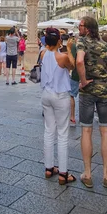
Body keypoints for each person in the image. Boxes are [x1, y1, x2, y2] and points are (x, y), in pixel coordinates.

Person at [76, 16, 107, 189]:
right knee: (105, 130)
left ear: (88, 28)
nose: (79, 28)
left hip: (88, 91)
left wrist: (83, 80)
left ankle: (87, 174)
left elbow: (78, 61)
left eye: (81, 25)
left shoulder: (82, 42)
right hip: (104, 90)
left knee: (86, 130)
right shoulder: (106, 45)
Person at [41, 28, 76, 184]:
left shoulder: (42, 54)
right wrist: (68, 49)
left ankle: (49, 168)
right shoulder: (62, 57)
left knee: (49, 131)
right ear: (58, 41)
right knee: (62, 133)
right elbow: (72, 66)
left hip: (46, 95)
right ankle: (63, 173)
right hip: (60, 95)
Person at [65, 35, 78, 127]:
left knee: (71, 95)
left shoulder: (73, 46)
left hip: (75, 74)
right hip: (86, 74)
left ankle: (72, 117)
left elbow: (72, 62)